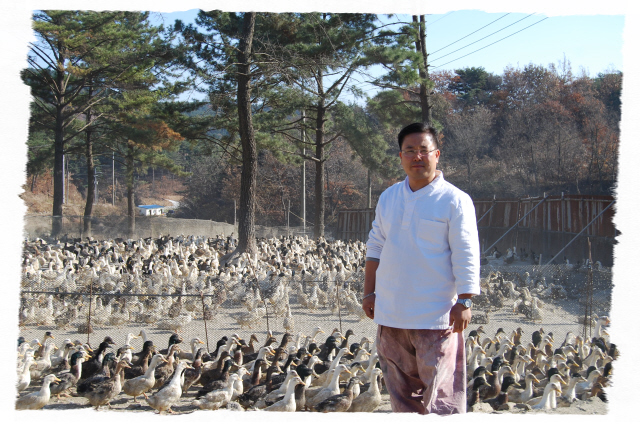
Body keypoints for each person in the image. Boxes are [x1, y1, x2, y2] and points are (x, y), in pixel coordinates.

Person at [363, 122, 480, 414]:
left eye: (424, 150)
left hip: (436, 318)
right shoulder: (389, 197)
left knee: (442, 401)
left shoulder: (455, 200)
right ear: (400, 156)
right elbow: (375, 245)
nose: (417, 156)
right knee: (402, 400)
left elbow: (466, 251)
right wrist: (369, 293)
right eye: (409, 150)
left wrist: (465, 300)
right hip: (391, 317)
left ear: (436, 154)